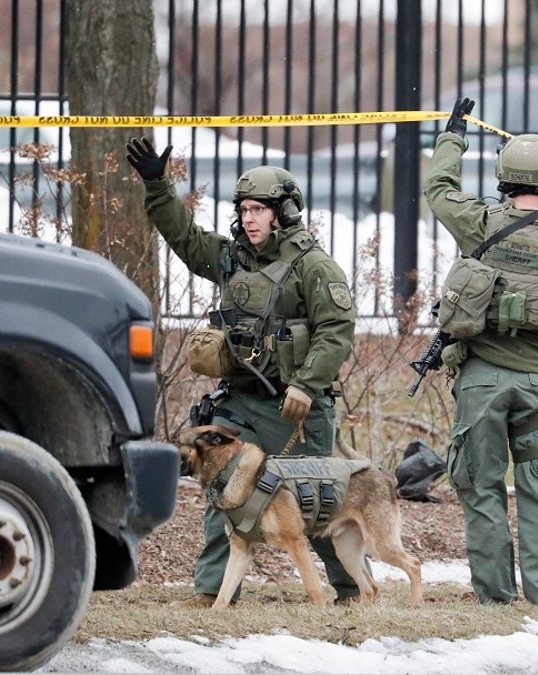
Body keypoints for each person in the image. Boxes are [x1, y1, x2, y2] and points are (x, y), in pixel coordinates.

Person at [125, 137, 360, 607]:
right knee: (222, 491)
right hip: (240, 399)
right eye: (244, 209)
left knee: (320, 500)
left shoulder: (314, 267)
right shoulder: (232, 258)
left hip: (296, 407)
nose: (249, 218)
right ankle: (212, 591)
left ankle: (352, 590)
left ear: (285, 212)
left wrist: (306, 385)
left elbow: (337, 331)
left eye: (259, 209)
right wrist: (157, 186)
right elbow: (186, 238)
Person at [422, 98, 538, 605]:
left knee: (481, 488)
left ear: (504, 177)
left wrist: (452, 137)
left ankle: (495, 598)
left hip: (481, 383)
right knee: (537, 487)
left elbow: (438, 189)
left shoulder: (477, 224)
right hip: (536, 386)